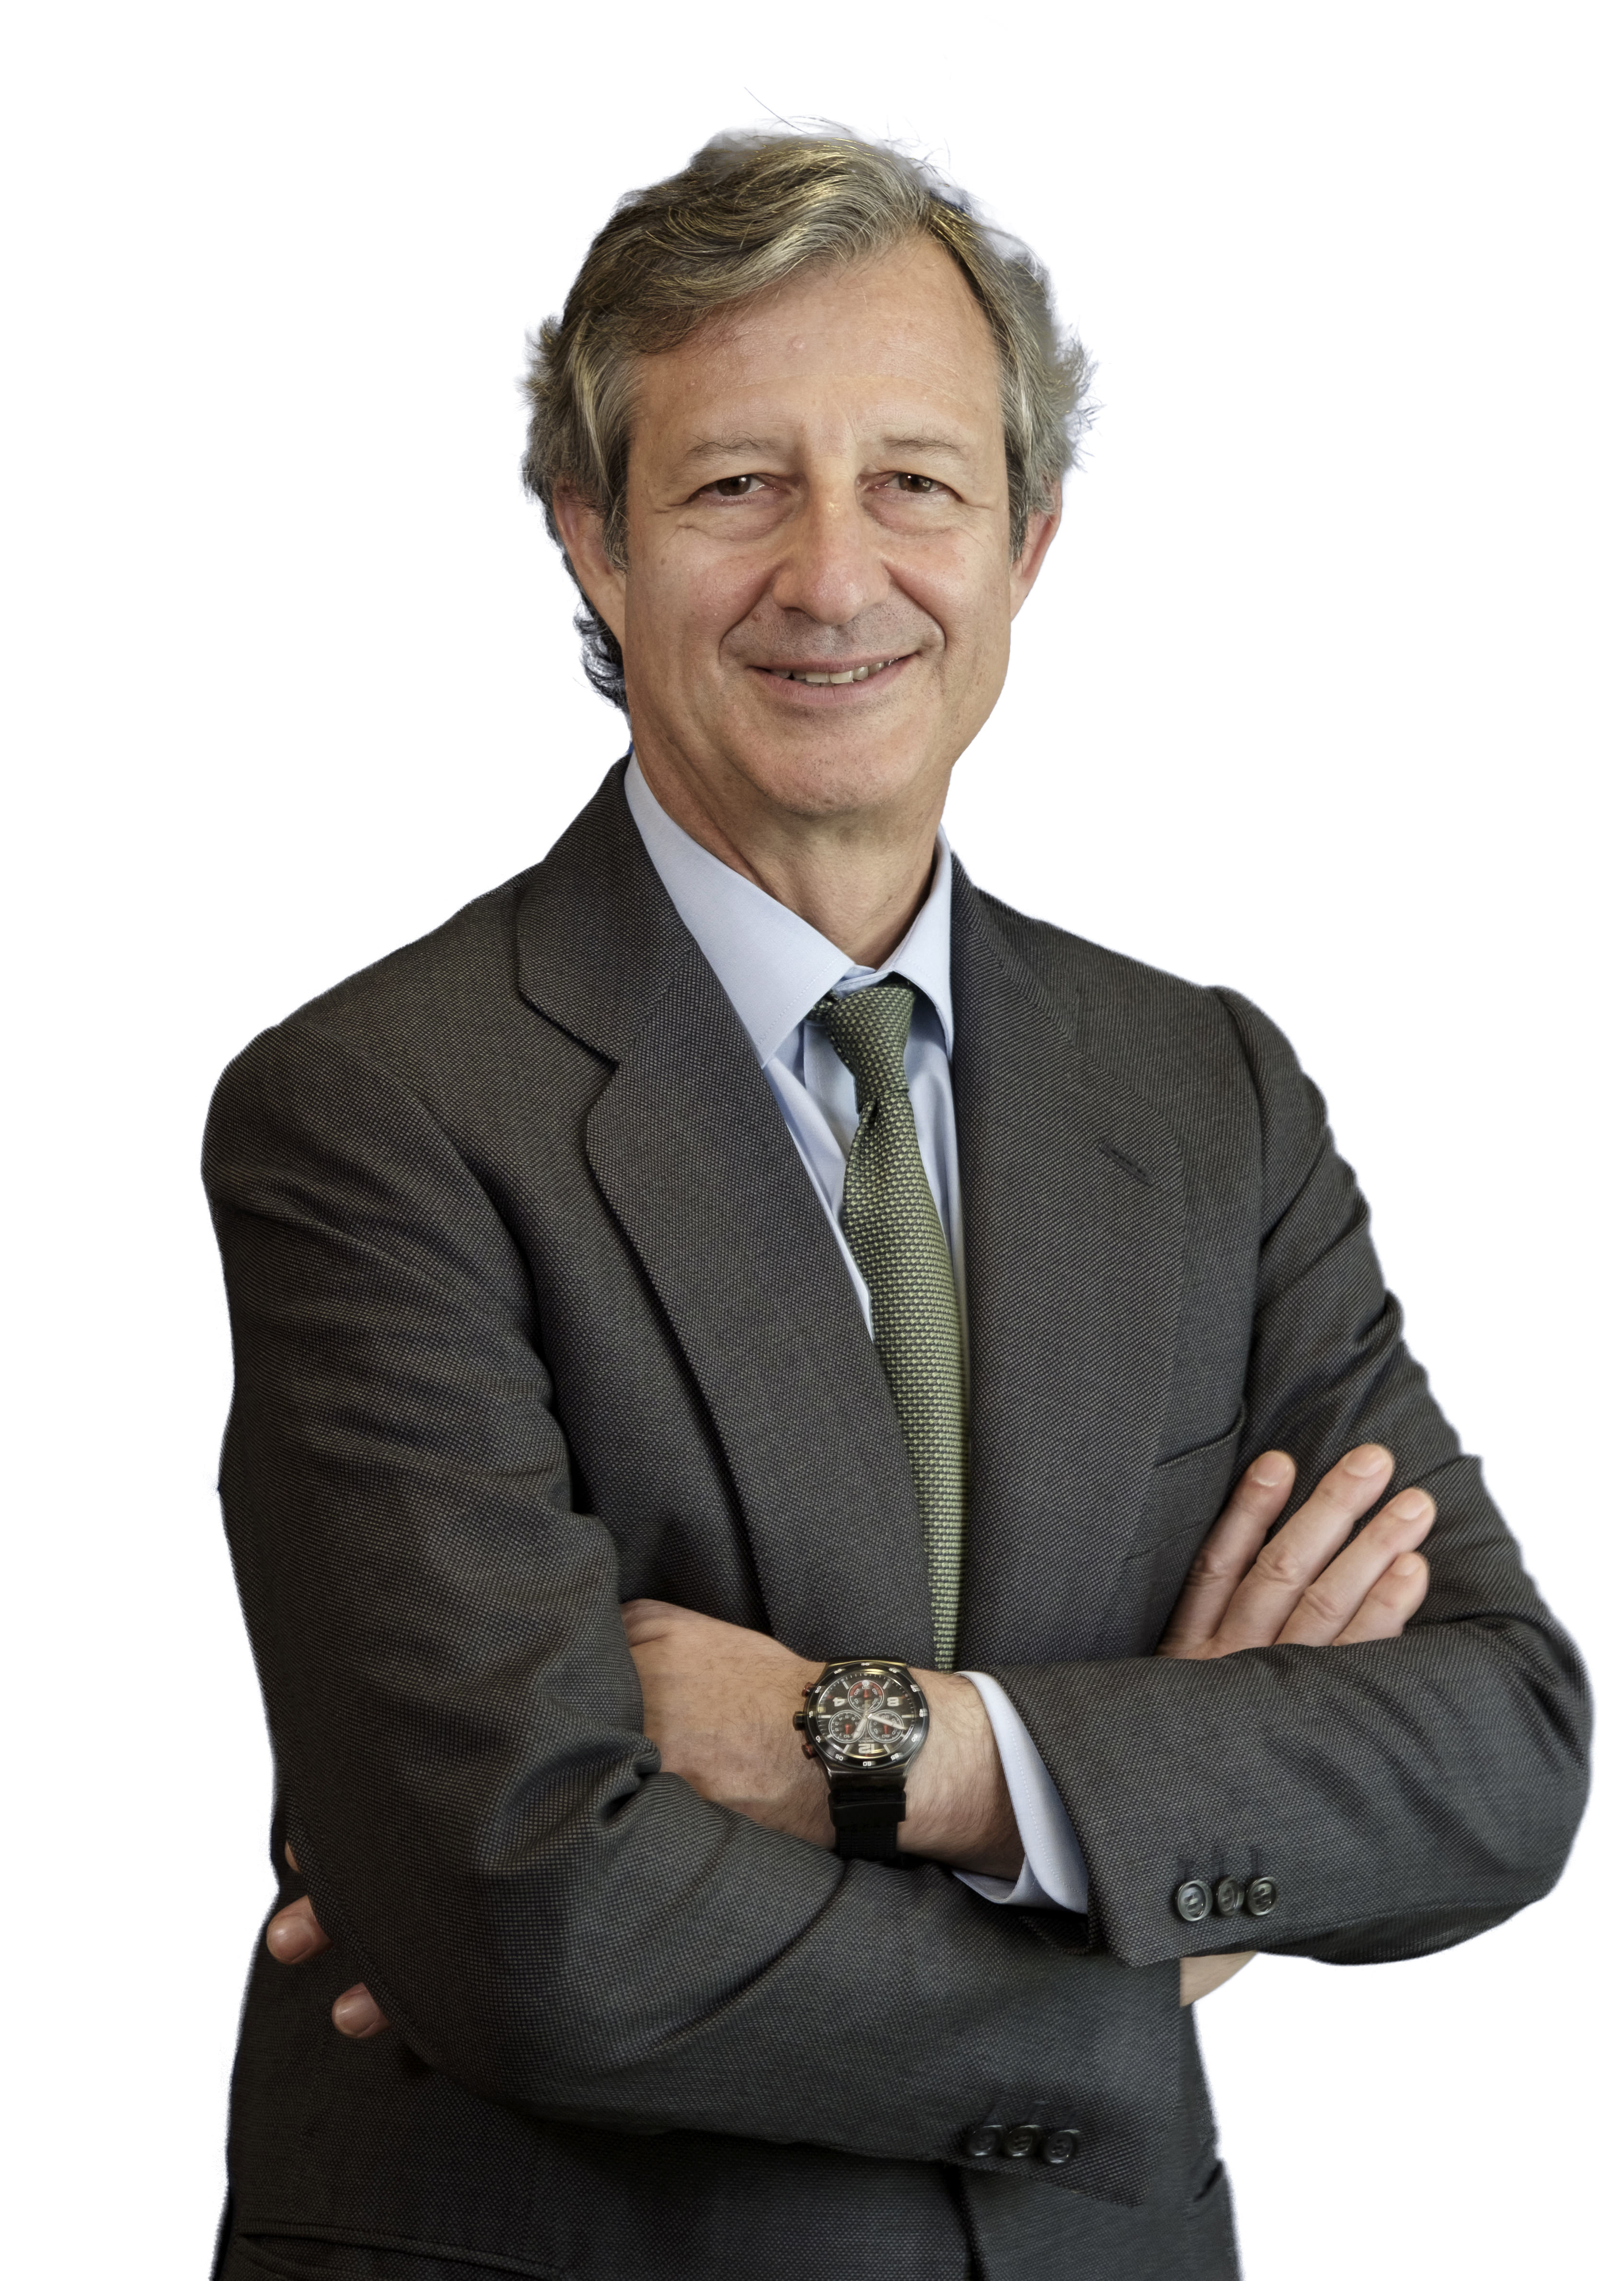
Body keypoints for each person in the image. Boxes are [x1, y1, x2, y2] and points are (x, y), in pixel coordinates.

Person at [203, 131, 1589, 2281]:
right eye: (735, 484)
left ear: (1027, 542)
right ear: (590, 537)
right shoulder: (380, 1111)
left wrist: (891, 1750)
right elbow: (538, 1923)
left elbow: (1492, 1749)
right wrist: (1148, 1930)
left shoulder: (1202, 1095)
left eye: (916, 483)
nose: (834, 575)